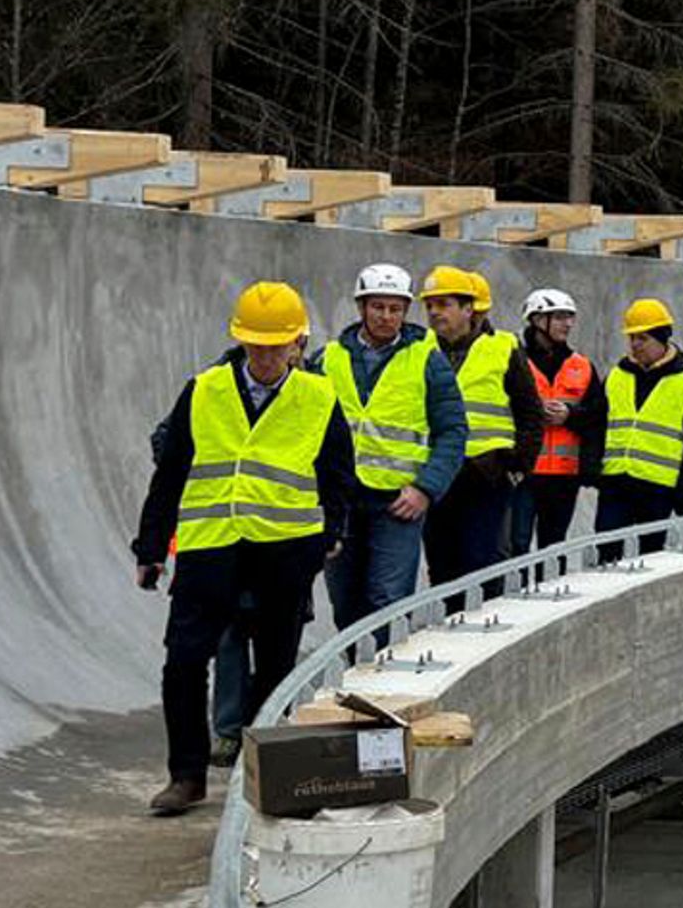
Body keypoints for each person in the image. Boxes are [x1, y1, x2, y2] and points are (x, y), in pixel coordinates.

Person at [133, 281, 349, 815]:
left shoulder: (319, 397)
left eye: (278, 346)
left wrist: (330, 535)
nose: (267, 356)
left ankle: (262, 779)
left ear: (299, 343)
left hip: (284, 552)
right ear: (240, 340)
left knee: (275, 667)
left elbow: (337, 475)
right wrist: (151, 546)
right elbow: (171, 471)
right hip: (211, 548)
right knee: (183, 662)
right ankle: (186, 775)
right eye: (257, 345)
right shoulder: (204, 389)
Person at [324, 261, 465, 627]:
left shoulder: (427, 360)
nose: (387, 317)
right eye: (378, 307)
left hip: (399, 503)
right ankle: (354, 675)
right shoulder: (328, 359)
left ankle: (377, 679)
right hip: (341, 501)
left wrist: (425, 489)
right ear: (361, 307)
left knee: (386, 600)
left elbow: (453, 431)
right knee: (345, 602)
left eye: (395, 309)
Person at [421, 265, 540, 590]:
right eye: (429, 305)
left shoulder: (503, 347)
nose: (434, 312)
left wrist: (518, 467)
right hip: (436, 473)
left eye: (443, 304)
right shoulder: (419, 348)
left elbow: (530, 412)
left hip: (486, 474)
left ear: (468, 309)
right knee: (442, 564)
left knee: (484, 562)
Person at [596, 298, 683, 555]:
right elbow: (596, 423)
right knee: (604, 559)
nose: (635, 345)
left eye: (643, 338)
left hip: (658, 490)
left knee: (652, 560)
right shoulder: (617, 376)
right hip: (616, 484)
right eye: (632, 338)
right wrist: (593, 470)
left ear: (662, 339)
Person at [518, 288, 596, 550]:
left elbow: (598, 417)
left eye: (570, 317)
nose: (569, 324)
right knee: (515, 546)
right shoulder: (516, 361)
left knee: (554, 548)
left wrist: (569, 415)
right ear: (539, 320)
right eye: (561, 317)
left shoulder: (582, 366)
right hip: (524, 473)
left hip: (563, 477)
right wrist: (532, 412)